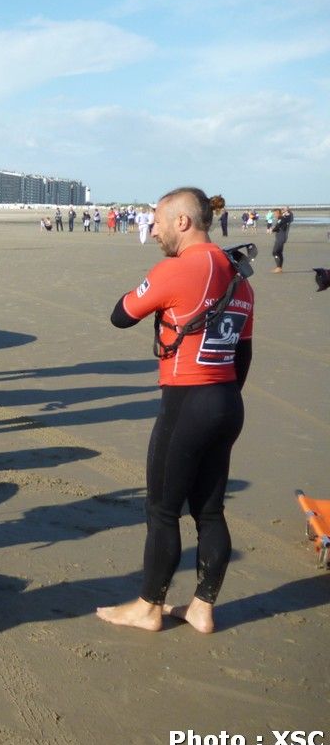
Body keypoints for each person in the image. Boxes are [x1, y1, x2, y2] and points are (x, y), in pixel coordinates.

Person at [97, 186, 253, 635]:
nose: (155, 230)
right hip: (226, 401)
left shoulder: (178, 268)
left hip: (188, 400)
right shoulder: (239, 277)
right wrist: (220, 399)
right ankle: (202, 607)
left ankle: (149, 607)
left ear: (182, 222)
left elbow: (121, 314)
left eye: (159, 222)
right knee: (209, 510)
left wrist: (155, 290)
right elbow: (243, 356)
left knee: (162, 510)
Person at [271, 205, 293, 273]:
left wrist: (272, 230)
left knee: (275, 252)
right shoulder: (282, 218)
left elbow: (277, 227)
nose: (274, 215)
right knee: (279, 252)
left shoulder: (284, 218)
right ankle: (279, 268)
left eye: (275, 214)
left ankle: (279, 267)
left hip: (281, 237)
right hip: (280, 237)